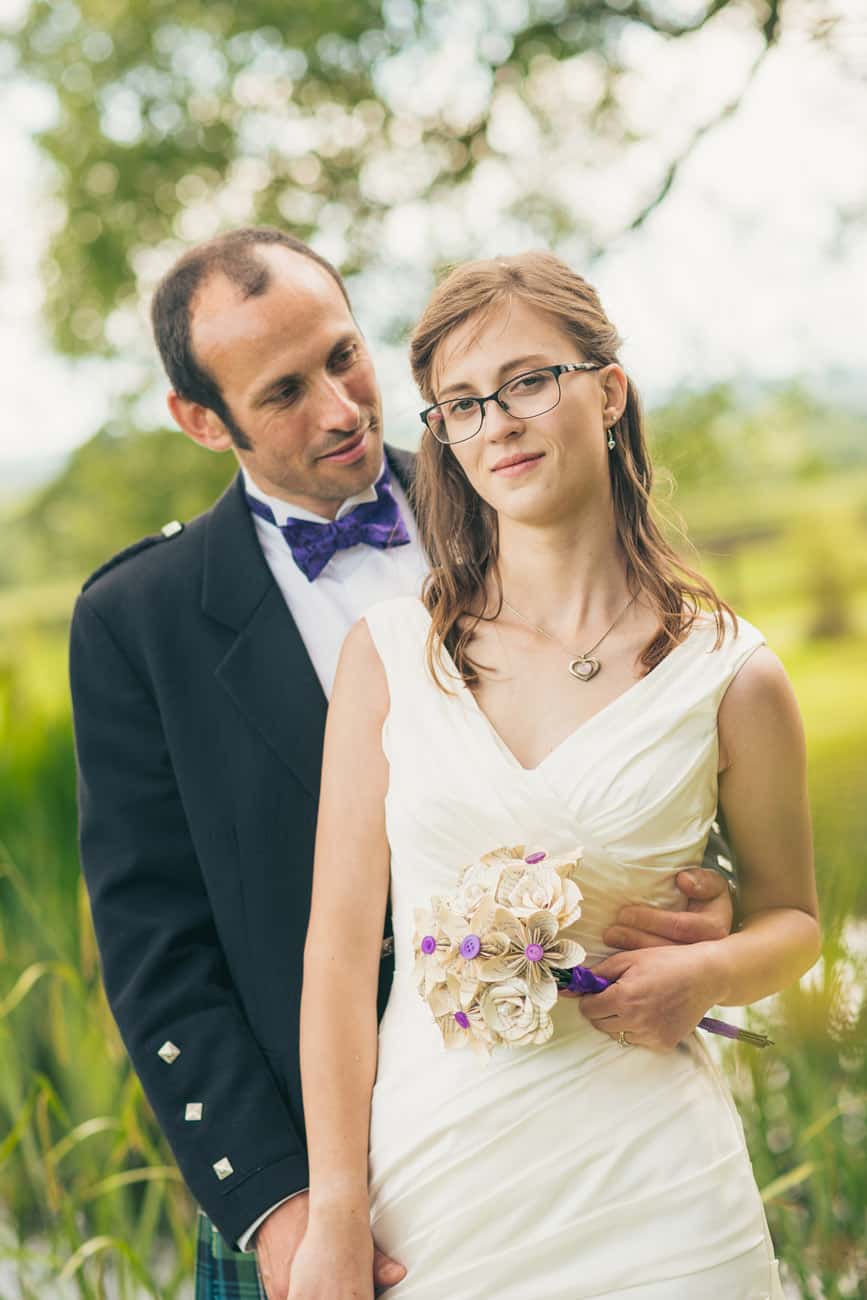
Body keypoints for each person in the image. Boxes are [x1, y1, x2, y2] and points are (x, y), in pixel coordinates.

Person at [69, 229, 737, 1300]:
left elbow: (675, 735)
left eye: (344, 356)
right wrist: (282, 1208)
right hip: (315, 1175)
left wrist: (710, 909)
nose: (340, 409)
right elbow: (158, 951)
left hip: (585, 1117)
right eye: (283, 391)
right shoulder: (135, 622)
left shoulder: (518, 486)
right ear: (201, 419)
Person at [289, 251, 820, 1299]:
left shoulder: (733, 674)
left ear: (608, 391)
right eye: (462, 405)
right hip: (441, 1182)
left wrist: (707, 975)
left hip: (660, 1186)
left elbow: (795, 921)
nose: (499, 424)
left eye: (529, 381)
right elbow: (341, 958)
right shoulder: (390, 654)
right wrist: (338, 1211)